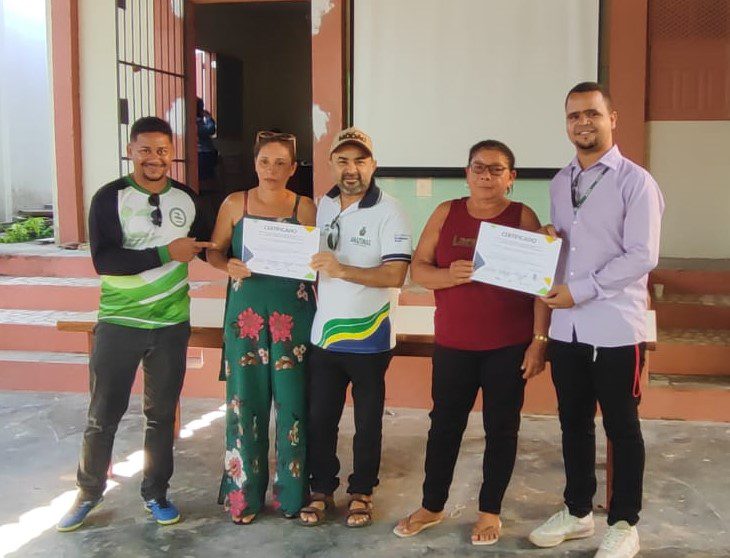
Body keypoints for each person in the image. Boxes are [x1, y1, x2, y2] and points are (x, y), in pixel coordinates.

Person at [56, 117, 212, 532]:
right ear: (131, 152)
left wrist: (238, 258)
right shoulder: (110, 197)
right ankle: (88, 493)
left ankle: (156, 493)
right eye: (145, 150)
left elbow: (205, 247)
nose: (154, 158)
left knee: (160, 417)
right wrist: (165, 253)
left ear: (172, 152)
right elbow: (104, 260)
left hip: (171, 324)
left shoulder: (187, 199)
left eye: (162, 150)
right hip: (120, 322)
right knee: (103, 414)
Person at [528, 82, 664, 558]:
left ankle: (625, 523)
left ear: (612, 119)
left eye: (592, 113)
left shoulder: (636, 182)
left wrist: (580, 290)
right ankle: (578, 511)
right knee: (573, 422)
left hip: (615, 328)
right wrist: (548, 239)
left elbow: (642, 256)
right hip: (567, 328)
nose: (583, 123)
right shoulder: (560, 182)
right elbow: (568, 247)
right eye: (574, 116)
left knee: (622, 427)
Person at [393, 140, 550, 545]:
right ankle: (431, 506)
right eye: (479, 167)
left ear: (511, 178)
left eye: (497, 169)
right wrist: (450, 276)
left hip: (508, 346)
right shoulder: (447, 212)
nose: (486, 175)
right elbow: (419, 270)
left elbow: (540, 286)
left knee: (502, 429)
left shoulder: (522, 217)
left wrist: (539, 341)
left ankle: (490, 511)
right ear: (466, 173)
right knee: (444, 427)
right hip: (454, 344)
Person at [298, 128, 412, 528]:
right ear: (331, 164)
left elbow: (395, 274)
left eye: (360, 161)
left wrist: (341, 269)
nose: (351, 169)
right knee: (320, 419)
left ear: (373, 165)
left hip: (370, 338)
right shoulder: (323, 206)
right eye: (343, 160)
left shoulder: (391, 210)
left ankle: (362, 491)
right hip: (324, 336)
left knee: (367, 423)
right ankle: (321, 490)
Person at [207, 131, 317, 524]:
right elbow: (215, 251)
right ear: (255, 163)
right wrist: (227, 265)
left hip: (293, 318)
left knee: (294, 406)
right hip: (246, 318)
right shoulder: (235, 203)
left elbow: (317, 258)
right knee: (245, 403)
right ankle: (244, 496)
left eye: (281, 163)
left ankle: (292, 495)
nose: (272, 170)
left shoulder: (305, 207)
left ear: (293, 168)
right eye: (265, 161)